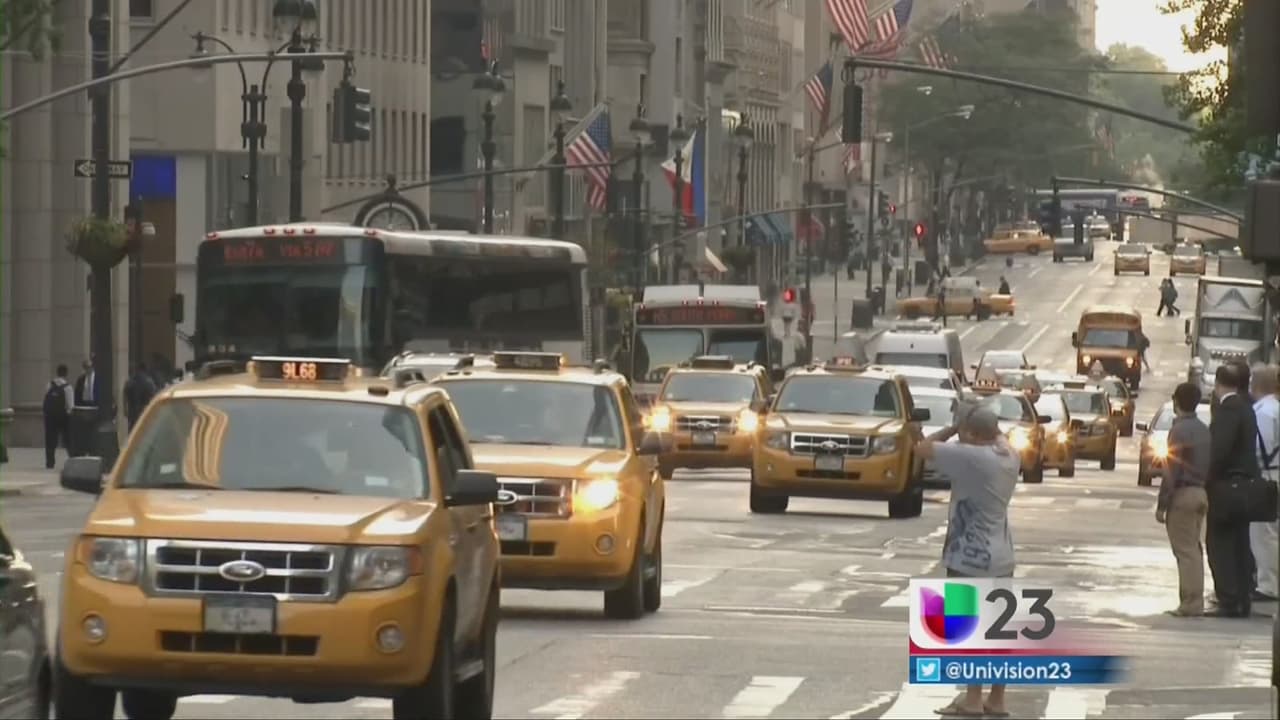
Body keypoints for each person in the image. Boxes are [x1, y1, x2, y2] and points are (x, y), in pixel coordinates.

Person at [916, 403, 1019, 717]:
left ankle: (973, 698)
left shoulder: (971, 457)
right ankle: (997, 699)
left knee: (967, 629)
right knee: (999, 631)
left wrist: (952, 427)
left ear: (972, 435)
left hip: (969, 556)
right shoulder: (1009, 455)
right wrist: (973, 421)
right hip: (1002, 554)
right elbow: (994, 434)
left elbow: (921, 448)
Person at [1207, 362, 1260, 617]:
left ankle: (1228, 598)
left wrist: (1207, 478)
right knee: (1240, 541)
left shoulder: (1228, 409)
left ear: (1218, 384)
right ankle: (1242, 595)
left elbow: (1219, 451)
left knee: (1220, 542)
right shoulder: (1247, 408)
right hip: (1244, 485)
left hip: (1227, 486)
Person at [1157, 382, 1211, 616]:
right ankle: (1194, 599)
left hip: (1183, 493)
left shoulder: (1178, 430)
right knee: (1194, 549)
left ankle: (1190, 602)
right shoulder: (1204, 429)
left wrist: (1162, 504)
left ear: (1176, 401)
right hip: (1201, 492)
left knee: (1185, 551)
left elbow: (1172, 469)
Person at [1250, 364, 1280, 601]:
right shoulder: (1275, 409)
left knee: (1263, 533)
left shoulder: (1263, 413)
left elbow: (1261, 449)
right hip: (1276, 475)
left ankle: (1267, 585)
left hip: (1267, 477)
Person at [42, 364, 73, 469]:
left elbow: (45, 399)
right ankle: (72, 458)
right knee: (67, 439)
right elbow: (70, 406)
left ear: (57, 373)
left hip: (50, 417)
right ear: (66, 374)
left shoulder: (49, 385)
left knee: (50, 439)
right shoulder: (68, 387)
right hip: (63, 417)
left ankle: (49, 462)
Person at [123, 361, 158, 431]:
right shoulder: (149, 382)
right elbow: (154, 396)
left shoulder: (130, 381)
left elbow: (125, 395)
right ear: (145, 370)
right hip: (144, 412)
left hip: (133, 412)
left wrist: (125, 409)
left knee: (133, 431)